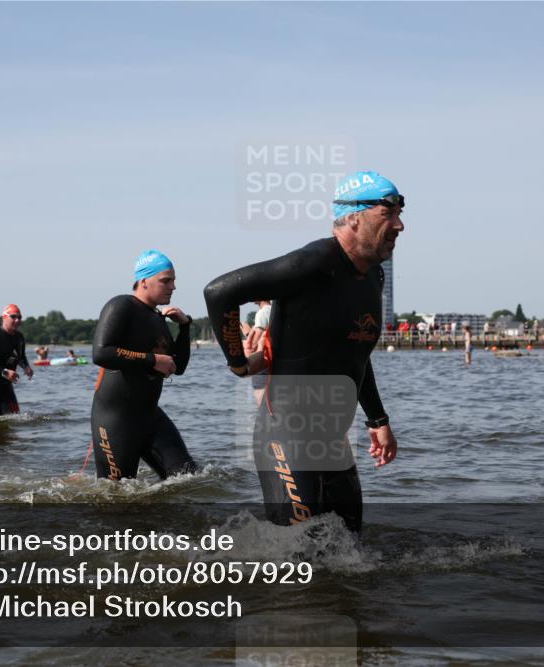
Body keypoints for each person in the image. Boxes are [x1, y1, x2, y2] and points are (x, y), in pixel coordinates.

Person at [204, 170, 403, 532]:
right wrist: (237, 363)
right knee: (295, 556)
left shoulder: (373, 276)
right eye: (388, 213)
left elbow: (356, 355)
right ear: (354, 218)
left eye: (400, 213)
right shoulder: (313, 263)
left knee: (350, 549)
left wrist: (378, 420)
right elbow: (219, 292)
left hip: (333, 438)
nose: (400, 225)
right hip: (287, 432)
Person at [90, 250, 197, 480]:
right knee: (116, 497)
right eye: (166, 280)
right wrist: (151, 360)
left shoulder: (158, 318)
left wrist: (185, 327)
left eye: (174, 280)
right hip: (115, 419)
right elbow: (101, 353)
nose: (173, 287)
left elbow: (178, 367)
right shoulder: (121, 306)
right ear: (144, 281)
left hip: (150, 416)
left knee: (189, 479)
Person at [245, 300, 271, 405]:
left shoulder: (262, 313)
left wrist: (247, 333)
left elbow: (255, 343)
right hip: (273, 360)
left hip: (263, 361)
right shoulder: (274, 310)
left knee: (262, 403)